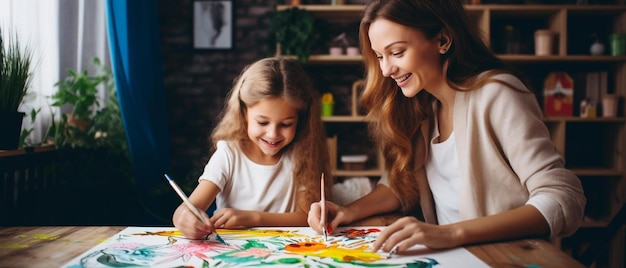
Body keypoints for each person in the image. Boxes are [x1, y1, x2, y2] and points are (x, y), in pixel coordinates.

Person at [307, 0, 586, 254]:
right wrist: (346, 212)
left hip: (502, 258)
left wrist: (450, 233)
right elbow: (401, 184)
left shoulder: (497, 94)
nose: (385, 70)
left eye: (397, 52)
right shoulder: (424, 106)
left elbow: (563, 197)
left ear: (442, 39)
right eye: (380, 56)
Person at [174, 57, 332, 239]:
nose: (273, 134)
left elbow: (306, 217)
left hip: (287, 251)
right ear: (243, 113)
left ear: (301, 120)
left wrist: (253, 218)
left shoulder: (302, 154)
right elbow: (186, 210)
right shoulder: (229, 154)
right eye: (262, 122)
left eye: (286, 124)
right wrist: (185, 219)